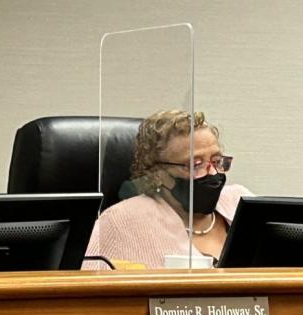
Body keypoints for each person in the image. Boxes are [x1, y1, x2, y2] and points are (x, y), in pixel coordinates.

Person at [86, 110, 248, 268]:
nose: (213, 173)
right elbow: (79, 282)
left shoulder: (238, 200)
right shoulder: (121, 220)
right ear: (158, 174)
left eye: (217, 160)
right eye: (195, 165)